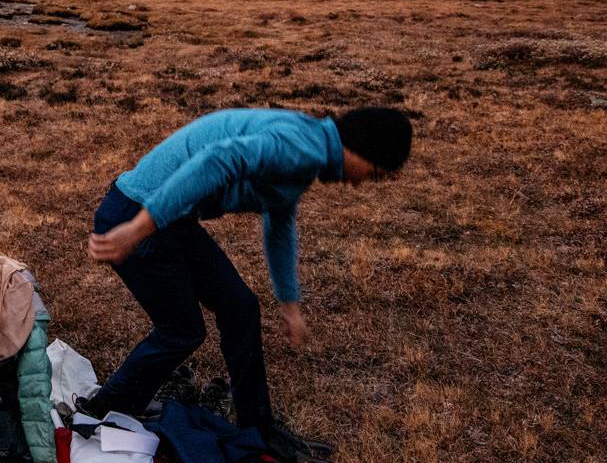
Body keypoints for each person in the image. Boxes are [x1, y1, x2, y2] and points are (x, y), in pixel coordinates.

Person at [81, 106, 413, 435]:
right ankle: (103, 411)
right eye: (373, 173)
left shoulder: (306, 145)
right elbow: (218, 160)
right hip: (136, 216)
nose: (360, 184)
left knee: (240, 307)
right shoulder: (302, 149)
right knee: (182, 330)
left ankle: (257, 425)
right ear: (362, 148)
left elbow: (280, 223)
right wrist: (137, 229)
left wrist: (290, 305)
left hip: (167, 220)